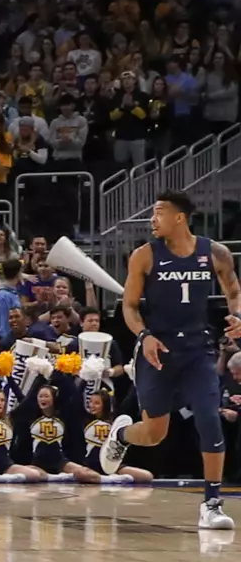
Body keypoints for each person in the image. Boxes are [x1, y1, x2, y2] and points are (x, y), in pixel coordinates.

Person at [102, 192, 241, 528]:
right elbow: (130, 306)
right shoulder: (144, 256)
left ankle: (211, 503)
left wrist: (238, 315)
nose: (153, 219)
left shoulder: (215, 253)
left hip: (198, 351)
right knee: (153, 434)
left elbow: (233, 291)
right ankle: (121, 437)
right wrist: (144, 336)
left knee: (209, 419)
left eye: (159, 213)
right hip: (157, 351)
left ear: (179, 218)